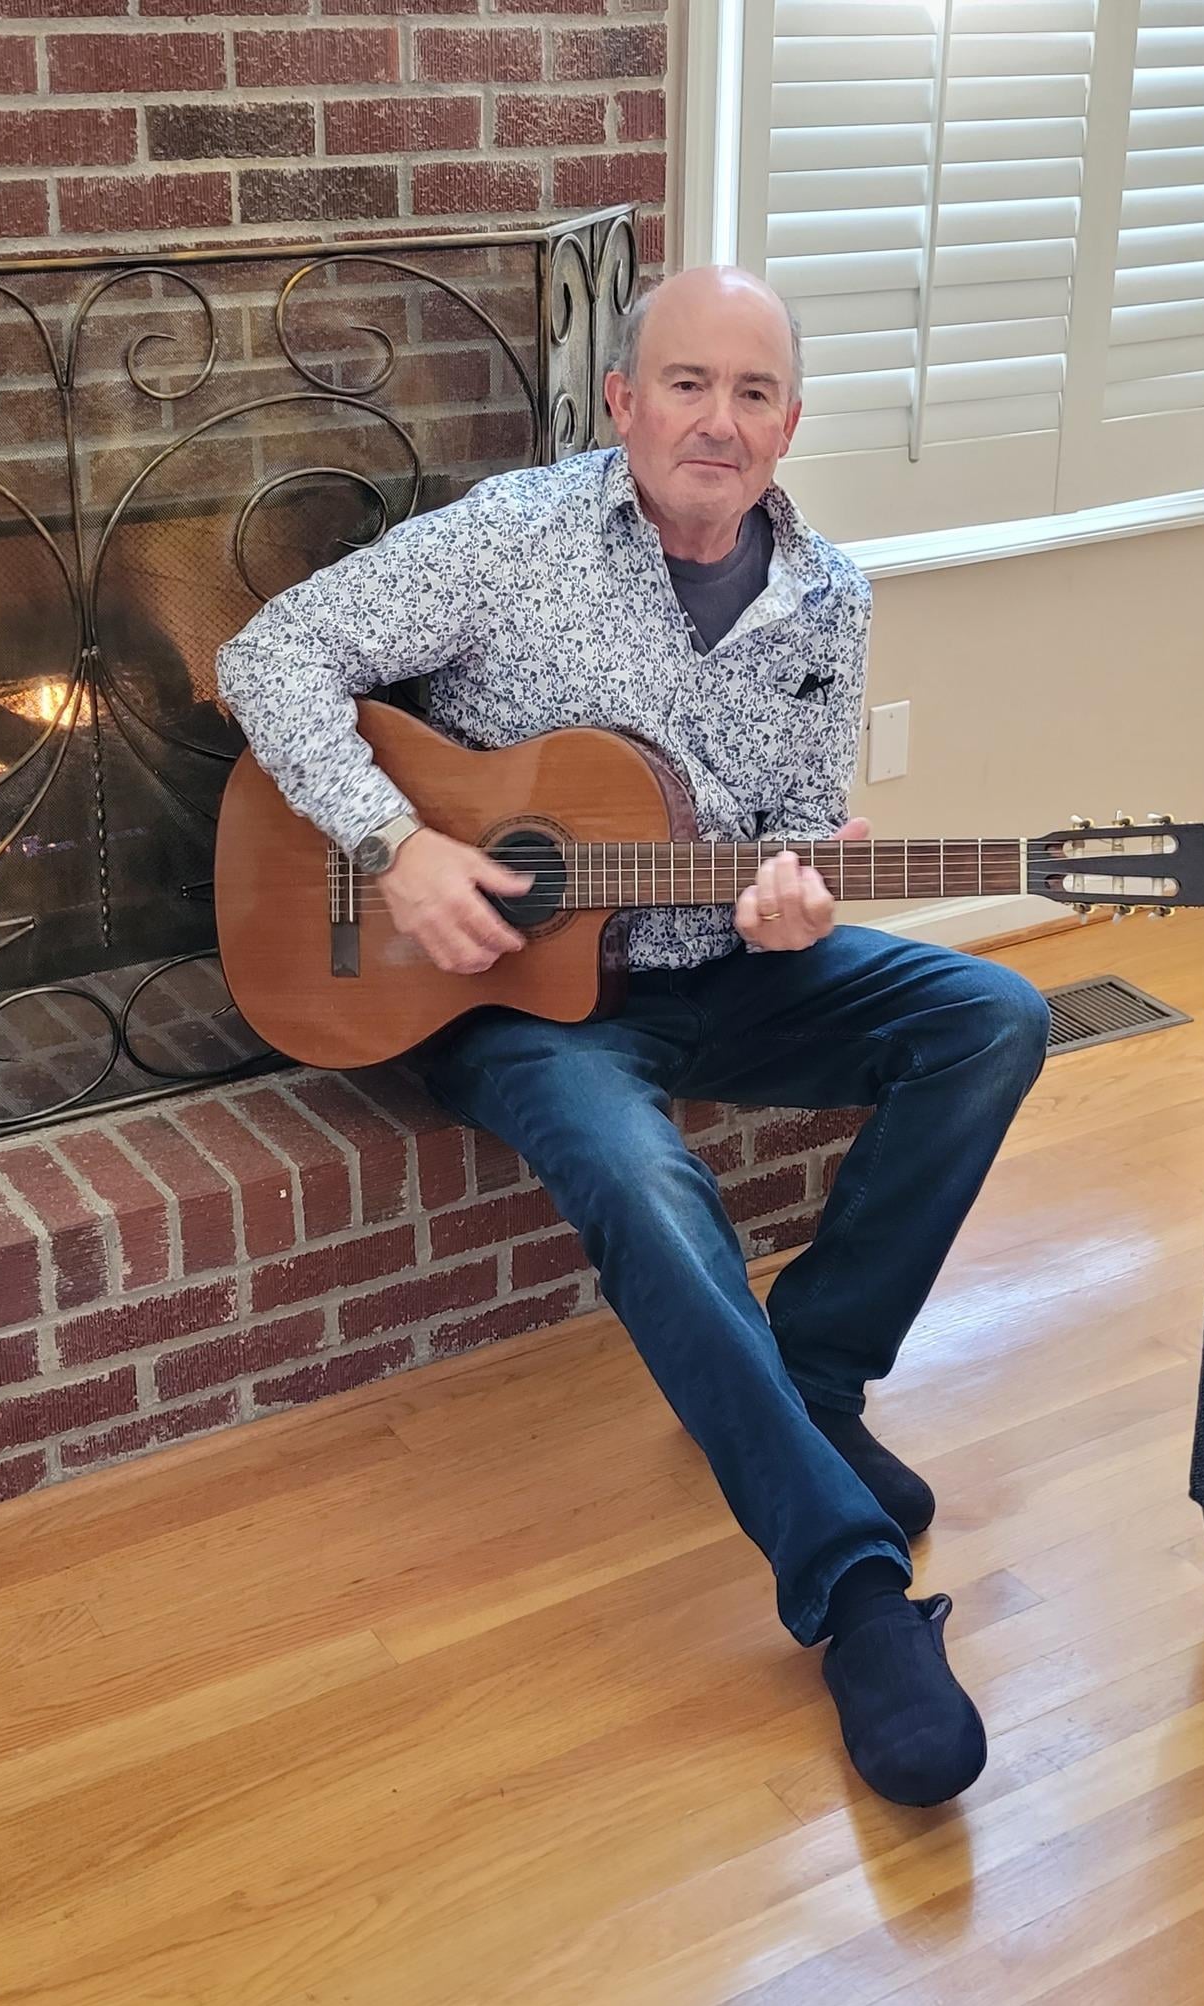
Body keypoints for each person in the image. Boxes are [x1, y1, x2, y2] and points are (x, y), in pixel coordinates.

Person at [214, 264, 1050, 1808]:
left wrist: (797, 901)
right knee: (646, 1183)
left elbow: (799, 831)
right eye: (686, 383)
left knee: (993, 1015)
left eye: (752, 393)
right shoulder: (512, 538)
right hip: (509, 1000)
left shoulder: (830, 600)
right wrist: (398, 848)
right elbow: (267, 657)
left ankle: (815, 1380)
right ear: (622, 401)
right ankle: (857, 1594)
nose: (717, 421)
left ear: (789, 423)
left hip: (719, 971)